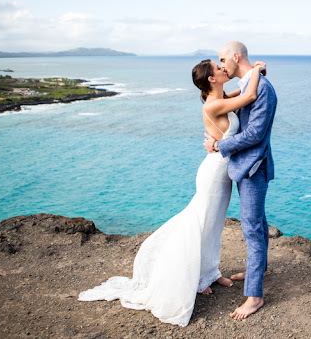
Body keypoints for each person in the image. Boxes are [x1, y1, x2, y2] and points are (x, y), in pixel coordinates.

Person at [78, 58, 266, 327]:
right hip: (214, 174)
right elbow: (249, 94)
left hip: (222, 173)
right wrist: (257, 70)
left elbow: (242, 94)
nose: (224, 69)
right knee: (200, 224)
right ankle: (188, 276)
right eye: (218, 68)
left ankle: (208, 273)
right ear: (212, 79)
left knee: (212, 227)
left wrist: (250, 76)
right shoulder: (214, 104)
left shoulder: (222, 96)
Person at [203, 41, 277, 320]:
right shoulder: (248, 84)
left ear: (236, 57)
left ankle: (254, 296)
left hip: (253, 167)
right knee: (258, 222)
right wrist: (258, 69)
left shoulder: (262, 89)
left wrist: (219, 146)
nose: (222, 65)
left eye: (224, 59)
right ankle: (260, 268)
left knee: (252, 229)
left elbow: (255, 134)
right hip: (245, 165)